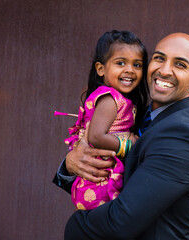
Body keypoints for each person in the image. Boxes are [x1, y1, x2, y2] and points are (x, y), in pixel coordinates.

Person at [53, 32, 189, 240]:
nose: (164, 70)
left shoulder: (184, 137)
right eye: (159, 58)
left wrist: (75, 225)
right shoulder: (141, 117)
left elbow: (120, 221)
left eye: (180, 65)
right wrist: (70, 165)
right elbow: (111, 183)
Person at [58, 30, 148, 210]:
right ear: (100, 69)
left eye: (137, 64)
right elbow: (96, 137)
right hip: (100, 180)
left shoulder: (125, 102)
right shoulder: (109, 99)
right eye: (121, 63)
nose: (130, 69)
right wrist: (130, 144)